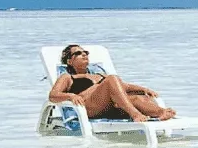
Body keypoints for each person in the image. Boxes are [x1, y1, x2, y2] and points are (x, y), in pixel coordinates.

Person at [47, 45, 177, 122]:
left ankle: (161, 113)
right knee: (112, 79)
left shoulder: (99, 74)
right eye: (78, 53)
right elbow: (53, 95)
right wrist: (71, 96)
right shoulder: (68, 77)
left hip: (110, 107)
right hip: (89, 107)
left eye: (85, 52)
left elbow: (123, 87)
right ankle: (135, 114)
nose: (84, 55)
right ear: (69, 61)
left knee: (138, 97)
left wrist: (143, 89)